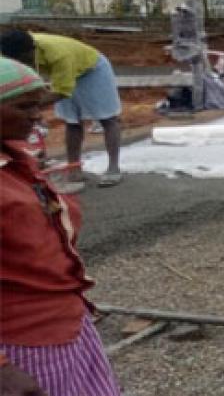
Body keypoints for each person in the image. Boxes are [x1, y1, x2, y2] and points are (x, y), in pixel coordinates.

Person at [0, 57, 123, 396]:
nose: (38, 115)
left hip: (66, 323)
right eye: (25, 106)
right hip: (26, 341)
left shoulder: (15, 160)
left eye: (38, 105)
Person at [0, 30, 123, 192]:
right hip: (61, 73)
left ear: (32, 52)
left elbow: (62, 92)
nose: (20, 64)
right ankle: (74, 170)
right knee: (71, 120)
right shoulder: (10, 49)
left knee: (107, 118)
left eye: (24, 60)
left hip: (92, 70)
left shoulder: (59, 56)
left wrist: (30, 108)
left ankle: (113, 168)